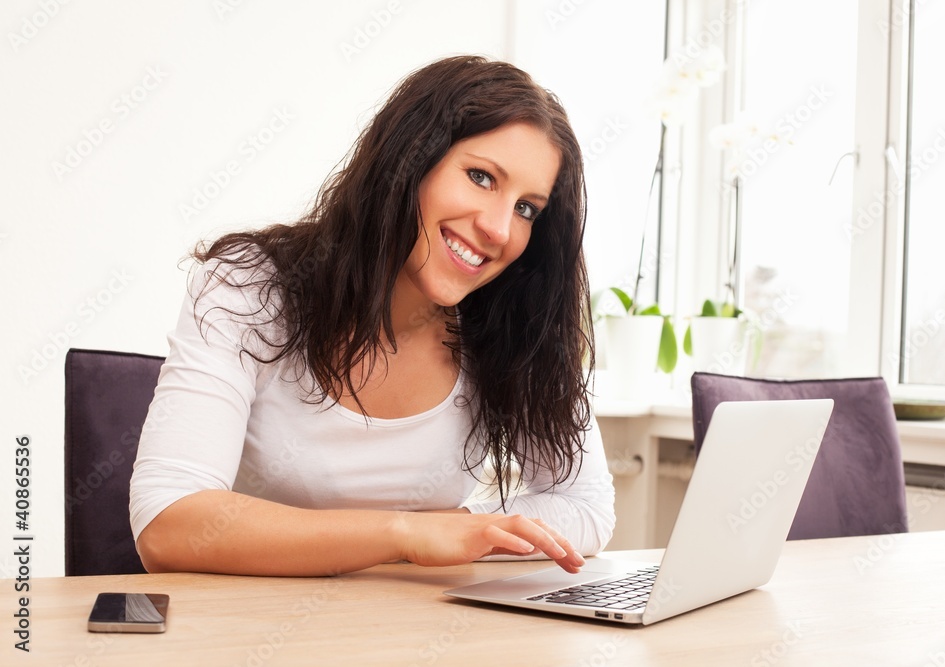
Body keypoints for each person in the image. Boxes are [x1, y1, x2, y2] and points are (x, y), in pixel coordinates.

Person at [129, 55, 615, 577]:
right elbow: (167, 522)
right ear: (409, 159)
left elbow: (586, 505)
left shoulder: (511, 323)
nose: (499, 229)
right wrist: (405, 534)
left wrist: (458, 529)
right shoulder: (249, 286)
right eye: (481, 177)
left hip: (414, 620)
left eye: (526, 209)